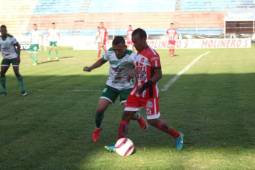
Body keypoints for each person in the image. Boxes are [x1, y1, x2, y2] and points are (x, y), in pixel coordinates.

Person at [105, 28, 184, 151]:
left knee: (153, 121)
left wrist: (145, 86)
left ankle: (178, 135)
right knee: (126, 115)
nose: (134, 45)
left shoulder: (152, 54)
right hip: (136, 91)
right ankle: (118, 144)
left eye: (136, 42)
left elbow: (158, 74)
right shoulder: (137, 55)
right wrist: (132, 73)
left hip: (149, 93)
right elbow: (138, 70)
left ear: (143, 39)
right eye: (133, 42)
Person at [83, 36, 147, 143]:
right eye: (115, 49)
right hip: (111, 85)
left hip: (126, 87)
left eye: (120, 49)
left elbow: (141, 66)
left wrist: (134, 71)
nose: (117, 52)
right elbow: (101, 61)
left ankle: (138, 117)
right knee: (100, 109)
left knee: (130, 114)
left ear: (125, 47)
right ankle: (97, 129)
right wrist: (90, 68)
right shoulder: (110, 52)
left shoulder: (131, 55)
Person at [0, 25, 27, 96]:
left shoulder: (11, 38)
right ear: (0, 31)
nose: (3, 32)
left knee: (16, 72)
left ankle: (23, 90)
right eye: (2, 31)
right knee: (2, 73)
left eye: (4, 30)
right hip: (6, 58)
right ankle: (4, 91)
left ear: (6, 31)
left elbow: (18, 46)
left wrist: (18, 56)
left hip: (14, 57)